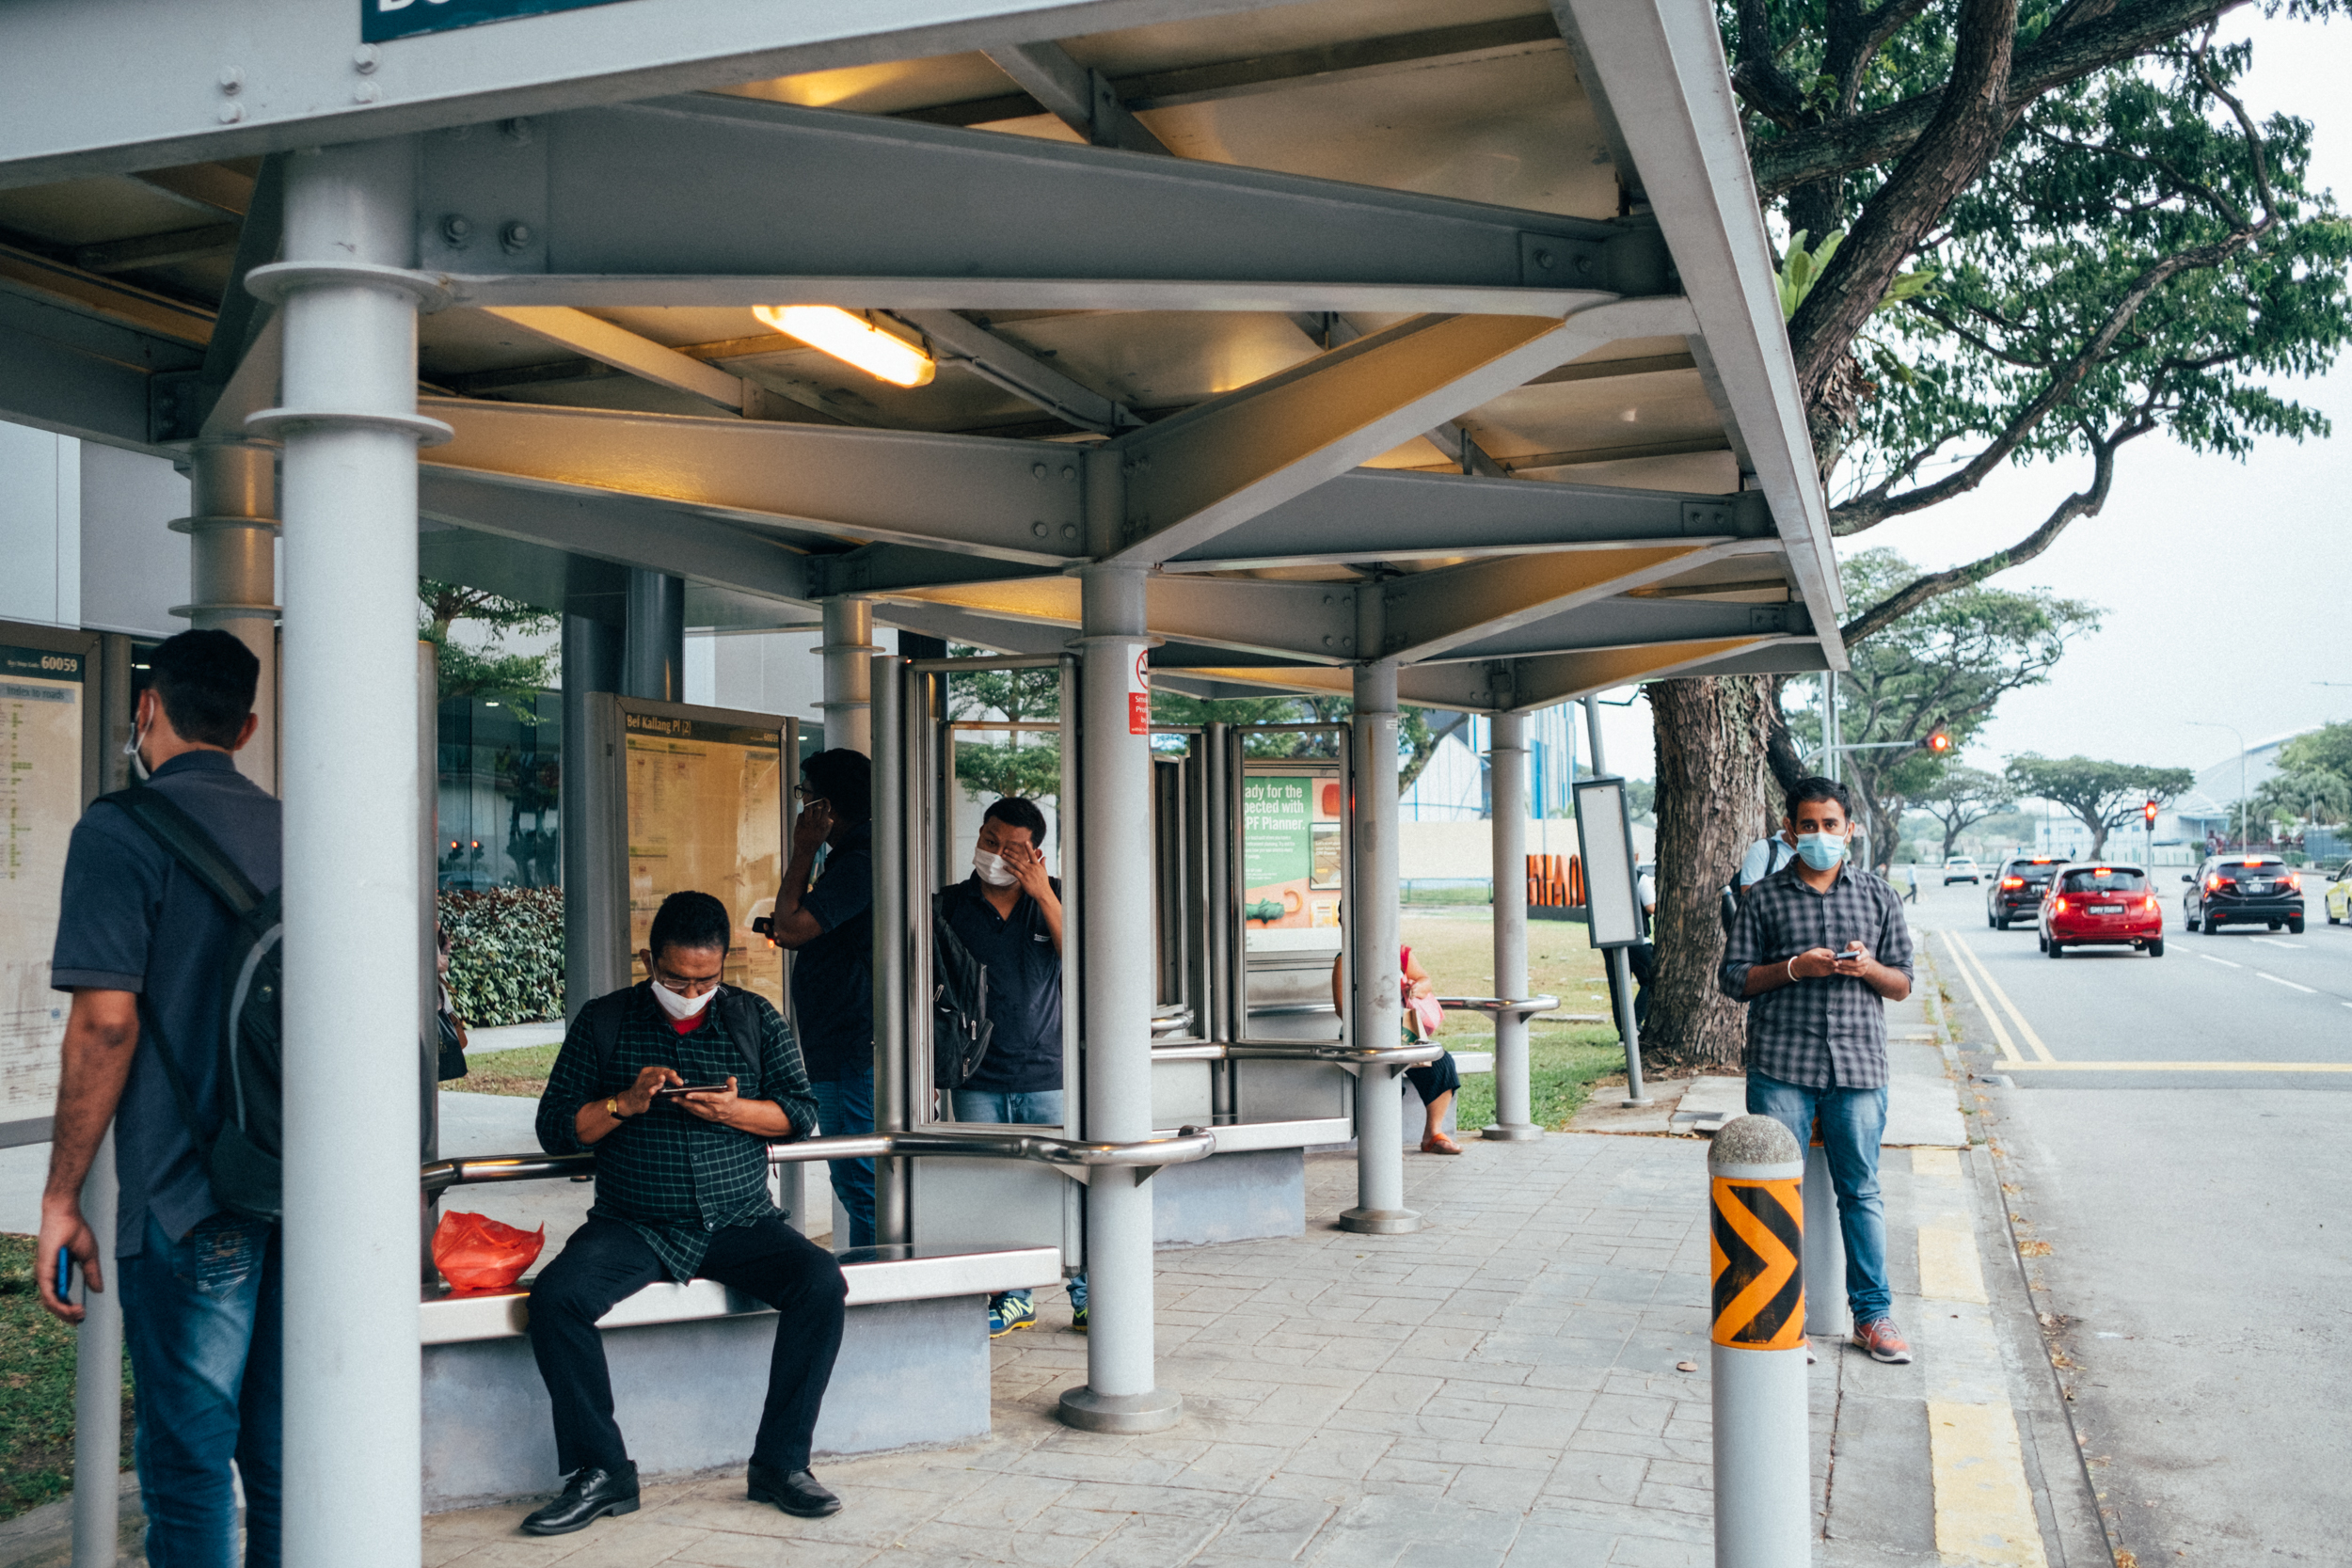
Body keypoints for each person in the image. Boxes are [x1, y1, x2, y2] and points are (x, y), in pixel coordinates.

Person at [37, 628, 283, 1568]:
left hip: (191, 1199)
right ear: (247, 726)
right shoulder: (298, 829)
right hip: (301, 1190)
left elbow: (105, 1023)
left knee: (187, 1470)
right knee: (284, 1459)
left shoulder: (119, 830)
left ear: (146, 707)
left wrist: (62, 1195)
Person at [523, 891, 844, 1535]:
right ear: (649, 959)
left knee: (821, 1283)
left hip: (741, 1219)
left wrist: (736, 1111)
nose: (691, 989)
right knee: (556, 1297)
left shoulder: (753, 1016)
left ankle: (781, 1464)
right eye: (675, 977)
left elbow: (800, 1112)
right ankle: (601, 1469)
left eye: (706, 977)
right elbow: (556, 1127)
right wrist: (623, 1103)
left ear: (723, 964)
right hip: (634, 1223)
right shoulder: (605, 1020)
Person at [1718, 776, 1916, 1365]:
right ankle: (1781, 1314)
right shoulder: (1763, 899)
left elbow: (1903, 984)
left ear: (1848, 830)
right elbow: (1734, 980)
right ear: (1790, 831)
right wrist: (1795, 969)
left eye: (1831, 825)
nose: (1821, 835)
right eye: (1809, 825)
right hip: (1783, 1065)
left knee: (1862, 1192)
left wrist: (1870, 969)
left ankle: (1873, 1317)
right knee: (1775, 1192)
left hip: (1858, 1066)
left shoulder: (1880, 897)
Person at [937, 798, 1077, 1334]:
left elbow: (1083, 961)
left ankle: (1083, 1286)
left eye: (1012, 849)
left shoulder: (1057, 897)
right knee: (992, 1187)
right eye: (990, 840)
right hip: (975, 1077)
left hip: (1048, 1072)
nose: (996, 855)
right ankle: (1011, 1293)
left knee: (1063, 1182)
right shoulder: (947, 905)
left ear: (1036, 854)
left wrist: (1042, 892)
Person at [765, 748, 876, 1248]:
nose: (801, 803)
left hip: (853, 1047)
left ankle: (884, 1286)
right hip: (840, 1043)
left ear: (826, 805)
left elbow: (790, 928)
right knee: (853, 1176)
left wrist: (803, 849)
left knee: (861, 1178)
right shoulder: (853, 858)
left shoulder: (859, 861)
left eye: (805, 793)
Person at [1331, 944, 1464, 1155]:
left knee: (1441, 1062)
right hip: (1364, 1037)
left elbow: (1424, 980)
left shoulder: (1400, 953)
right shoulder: (1346, 960)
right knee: (1383, 1074)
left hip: (1404, 1032)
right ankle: (1381, 1140)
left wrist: (1415, 988)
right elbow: (1342, 1009)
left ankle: (1432, 1134)